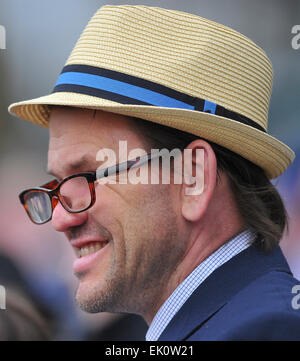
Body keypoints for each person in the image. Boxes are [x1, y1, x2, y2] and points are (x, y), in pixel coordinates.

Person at [8, 5, 300, 340]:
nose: (61, 220)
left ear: (193, 178)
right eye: (58, 185)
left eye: (89, 175)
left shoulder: (262, 330)